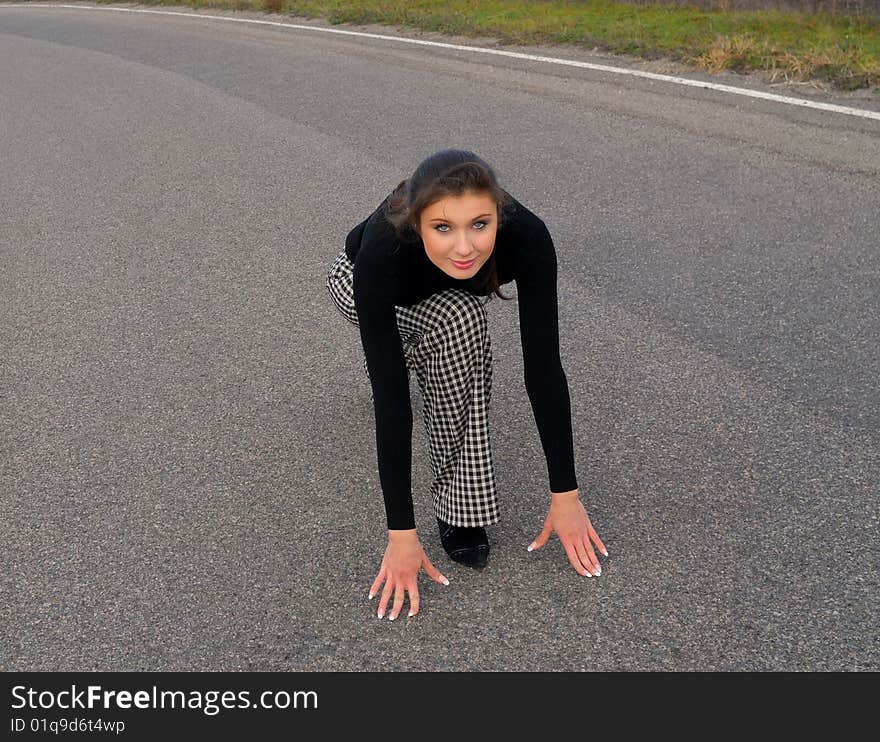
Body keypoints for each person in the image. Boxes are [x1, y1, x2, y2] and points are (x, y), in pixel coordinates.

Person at [326, 149, 607, 621]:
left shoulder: (528, 237)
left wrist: (567, 495)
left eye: (480, 224)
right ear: (417, 225)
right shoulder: (383, 249)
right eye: (443, 227)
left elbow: (543, 367)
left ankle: (460, 505)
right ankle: (429, 355)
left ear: (499, 214)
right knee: (457, 322)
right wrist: (401, 534)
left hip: (445, 297)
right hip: (358, 283)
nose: (464, 247)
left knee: (459, 323)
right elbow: (391, 402)